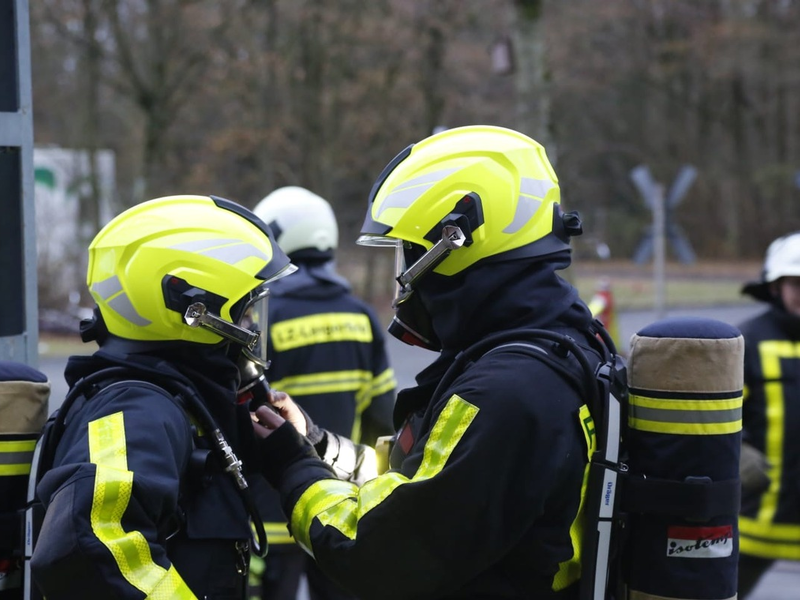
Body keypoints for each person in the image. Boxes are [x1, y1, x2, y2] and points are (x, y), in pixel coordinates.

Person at [251, 125, 608, 599]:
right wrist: (316, 445)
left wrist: (292, 468)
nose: (404, 277)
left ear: (453, 243)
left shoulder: (505, 395)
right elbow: (420, 482)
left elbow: (375, 551)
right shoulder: (555, 344)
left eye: (410, 253)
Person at [29, 194, 296, 599]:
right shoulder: (137, 411)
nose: (250, 327)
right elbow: (89, 550)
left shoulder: (179, 404)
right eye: (243, 313)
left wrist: (297, 450)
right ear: (194, 310)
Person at [250, 186, 396, 600]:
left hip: (272, 510)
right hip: (339, 507)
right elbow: (383, 418)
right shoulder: (362, 317)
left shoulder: (264, 317)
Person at [737, 230, 800, 598]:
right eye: (797, 284)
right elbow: (713, 421)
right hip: (755, 523)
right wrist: (735, 451)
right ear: (775, 287)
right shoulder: (746, 343)